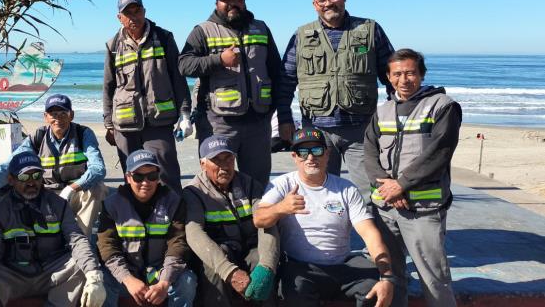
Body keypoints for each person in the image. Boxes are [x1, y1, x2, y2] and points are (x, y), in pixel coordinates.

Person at [276, 0, 395, 202]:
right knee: (322, 193)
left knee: (370, 194)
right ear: (314, 4)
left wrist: (395, 116)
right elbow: (285, 81)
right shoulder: (302, 35)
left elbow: (391, 75)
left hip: (361, 130)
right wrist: (284, 119)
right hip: (317, 131)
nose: (328, 3)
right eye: (322, 0)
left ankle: (374, 237)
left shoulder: (369, 29)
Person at [254, 128, 395, 307]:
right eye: (303, 152)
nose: (310, 158)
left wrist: (387, 276)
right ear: (294, 157)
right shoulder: (281, 185)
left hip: (342, 263)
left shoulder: (346, 189)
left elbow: (370, 234)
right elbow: (259, 218)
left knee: (377, 288)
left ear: (327, 154)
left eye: (317, 151)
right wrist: (281, 208)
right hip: (300, 266)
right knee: (294, 292)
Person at [364, 48, 461, 307]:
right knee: (391, 277)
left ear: (421, 74)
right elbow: (369, 150)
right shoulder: (382, 110)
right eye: (397, 74)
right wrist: (384, 186)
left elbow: (439, 152)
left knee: (433, 278)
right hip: (386, 209)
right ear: (388, 77)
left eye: (410, 73)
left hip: (423, 210)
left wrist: (401, 185)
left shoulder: (443, 106)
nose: (404, 80)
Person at [0, 93, 107, 236]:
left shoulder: (83, 134)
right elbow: (8, 166)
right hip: (45, 195)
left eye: (63, 113)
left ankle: (81, 241)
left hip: (74, 195)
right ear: (45, 116)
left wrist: (71, 189)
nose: (58, 118)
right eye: (53, 114)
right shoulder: (38, 137)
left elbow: (98, 169)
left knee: (97, 188)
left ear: (71, 115)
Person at [178, 0, 283, 188]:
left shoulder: (260, 28)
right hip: (219, 123)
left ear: (244, 1)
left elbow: (276, 71)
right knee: (217, 181)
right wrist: (218, 60)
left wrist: (279, 112)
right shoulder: (203, 30)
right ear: (217, 3)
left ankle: (255, 220)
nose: (232, 3)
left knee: (258, 182)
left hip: (258, 121)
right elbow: (184, 65)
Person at [0, 151, 106, 307]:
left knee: (81, 266)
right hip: (13, 274)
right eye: (24, 177)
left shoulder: (59, 205)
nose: (31, 182)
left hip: (50, 272)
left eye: (36, 175)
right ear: (11, 180)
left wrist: (94, 275)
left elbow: (77, 239)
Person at [104, 0, 192, 192]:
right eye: (128, 13)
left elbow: (178, 78)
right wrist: (109, 125)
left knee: (166, 175)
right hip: (125, 126)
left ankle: (174, 219)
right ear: (120, 17)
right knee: (133, 179)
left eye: (137, 11)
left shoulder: (163, 38)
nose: (134, 17)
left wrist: (185, 113)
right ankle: (137, 220)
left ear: (144, 12)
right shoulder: (113, 46)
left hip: (159, 122)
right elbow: (108, 87)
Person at [184, 135, 280, 306]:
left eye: (228, 158)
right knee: (213, 269)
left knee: (262, 265)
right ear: (203, 164)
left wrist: (267, 265)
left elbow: (267, 222)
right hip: (220, 253)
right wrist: (229, 271)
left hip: (249, 248)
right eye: (216, 160)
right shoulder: (193, 192)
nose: (224, 166)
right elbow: (194, 233)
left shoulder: (250, 185)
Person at [97, 149, 197, 306]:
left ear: (158, 177)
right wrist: (128, 280)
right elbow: (107, 248)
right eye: (138, 177)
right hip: (126, 274)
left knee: (187, 281)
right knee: (101, 280)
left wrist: (164, 282)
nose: (146, 182)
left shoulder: (174, 203)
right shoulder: (111, 205)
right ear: (128, 177)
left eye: (152, 176)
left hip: (159, 273)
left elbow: (178, 244)